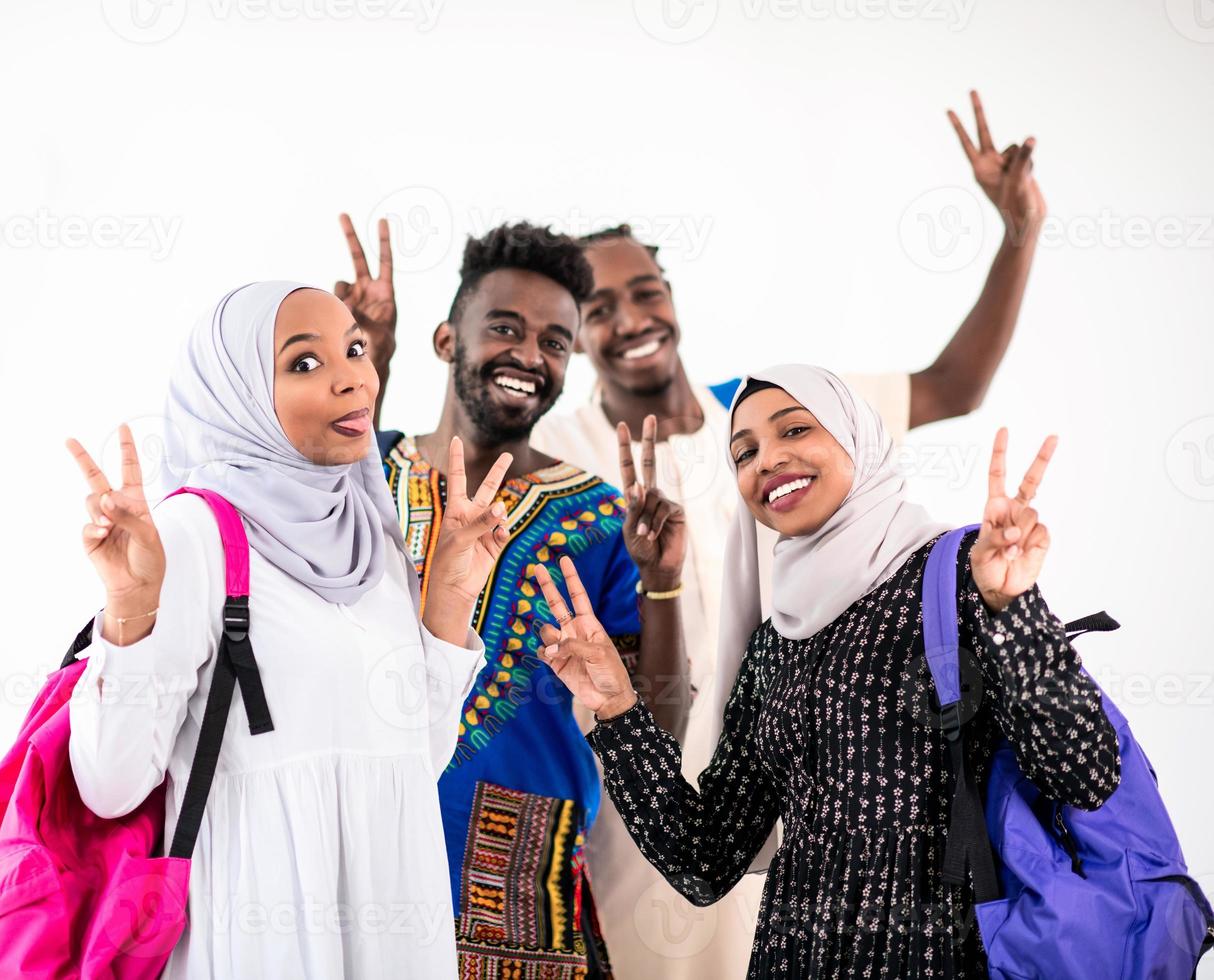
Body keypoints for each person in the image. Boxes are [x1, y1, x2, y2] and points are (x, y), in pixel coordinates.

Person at [528, 91, 1047, 979]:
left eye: (644, 290)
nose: (629, 318)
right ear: (573, 334)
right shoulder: (562, 450)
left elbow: (954, 385)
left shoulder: (775, 412)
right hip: (654, 808)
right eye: (597, 307)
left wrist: (1017, 232)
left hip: (820, 805)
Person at [528, 365, 1120, 978]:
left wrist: (1014, 608)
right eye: (745, 452)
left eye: (795, 430)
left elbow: (1087, 775)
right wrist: (618, 705)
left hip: (940, 956)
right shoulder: (777, 643)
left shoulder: (956, 580)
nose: (768, 460)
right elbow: (703, 860)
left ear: (857, 437)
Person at [63, 281, 518, 979]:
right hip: (262, 930)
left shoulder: (371, 533)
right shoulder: (193, 536)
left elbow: (413, 761)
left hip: (396, 926)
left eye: (355, 350)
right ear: (235, 395)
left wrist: (449, 601)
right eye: (304, 363)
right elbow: (111, 785)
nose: (352, 379)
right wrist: (129, 605)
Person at [337, 218, 689, 975]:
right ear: (445, 340)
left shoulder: (600, 520)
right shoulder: (362, 478)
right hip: (347, 870)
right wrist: (369, 362)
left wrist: (662, 585)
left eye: (556, 342)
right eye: (505, 327)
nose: (530, 355)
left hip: (520, 897)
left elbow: (655, 738)